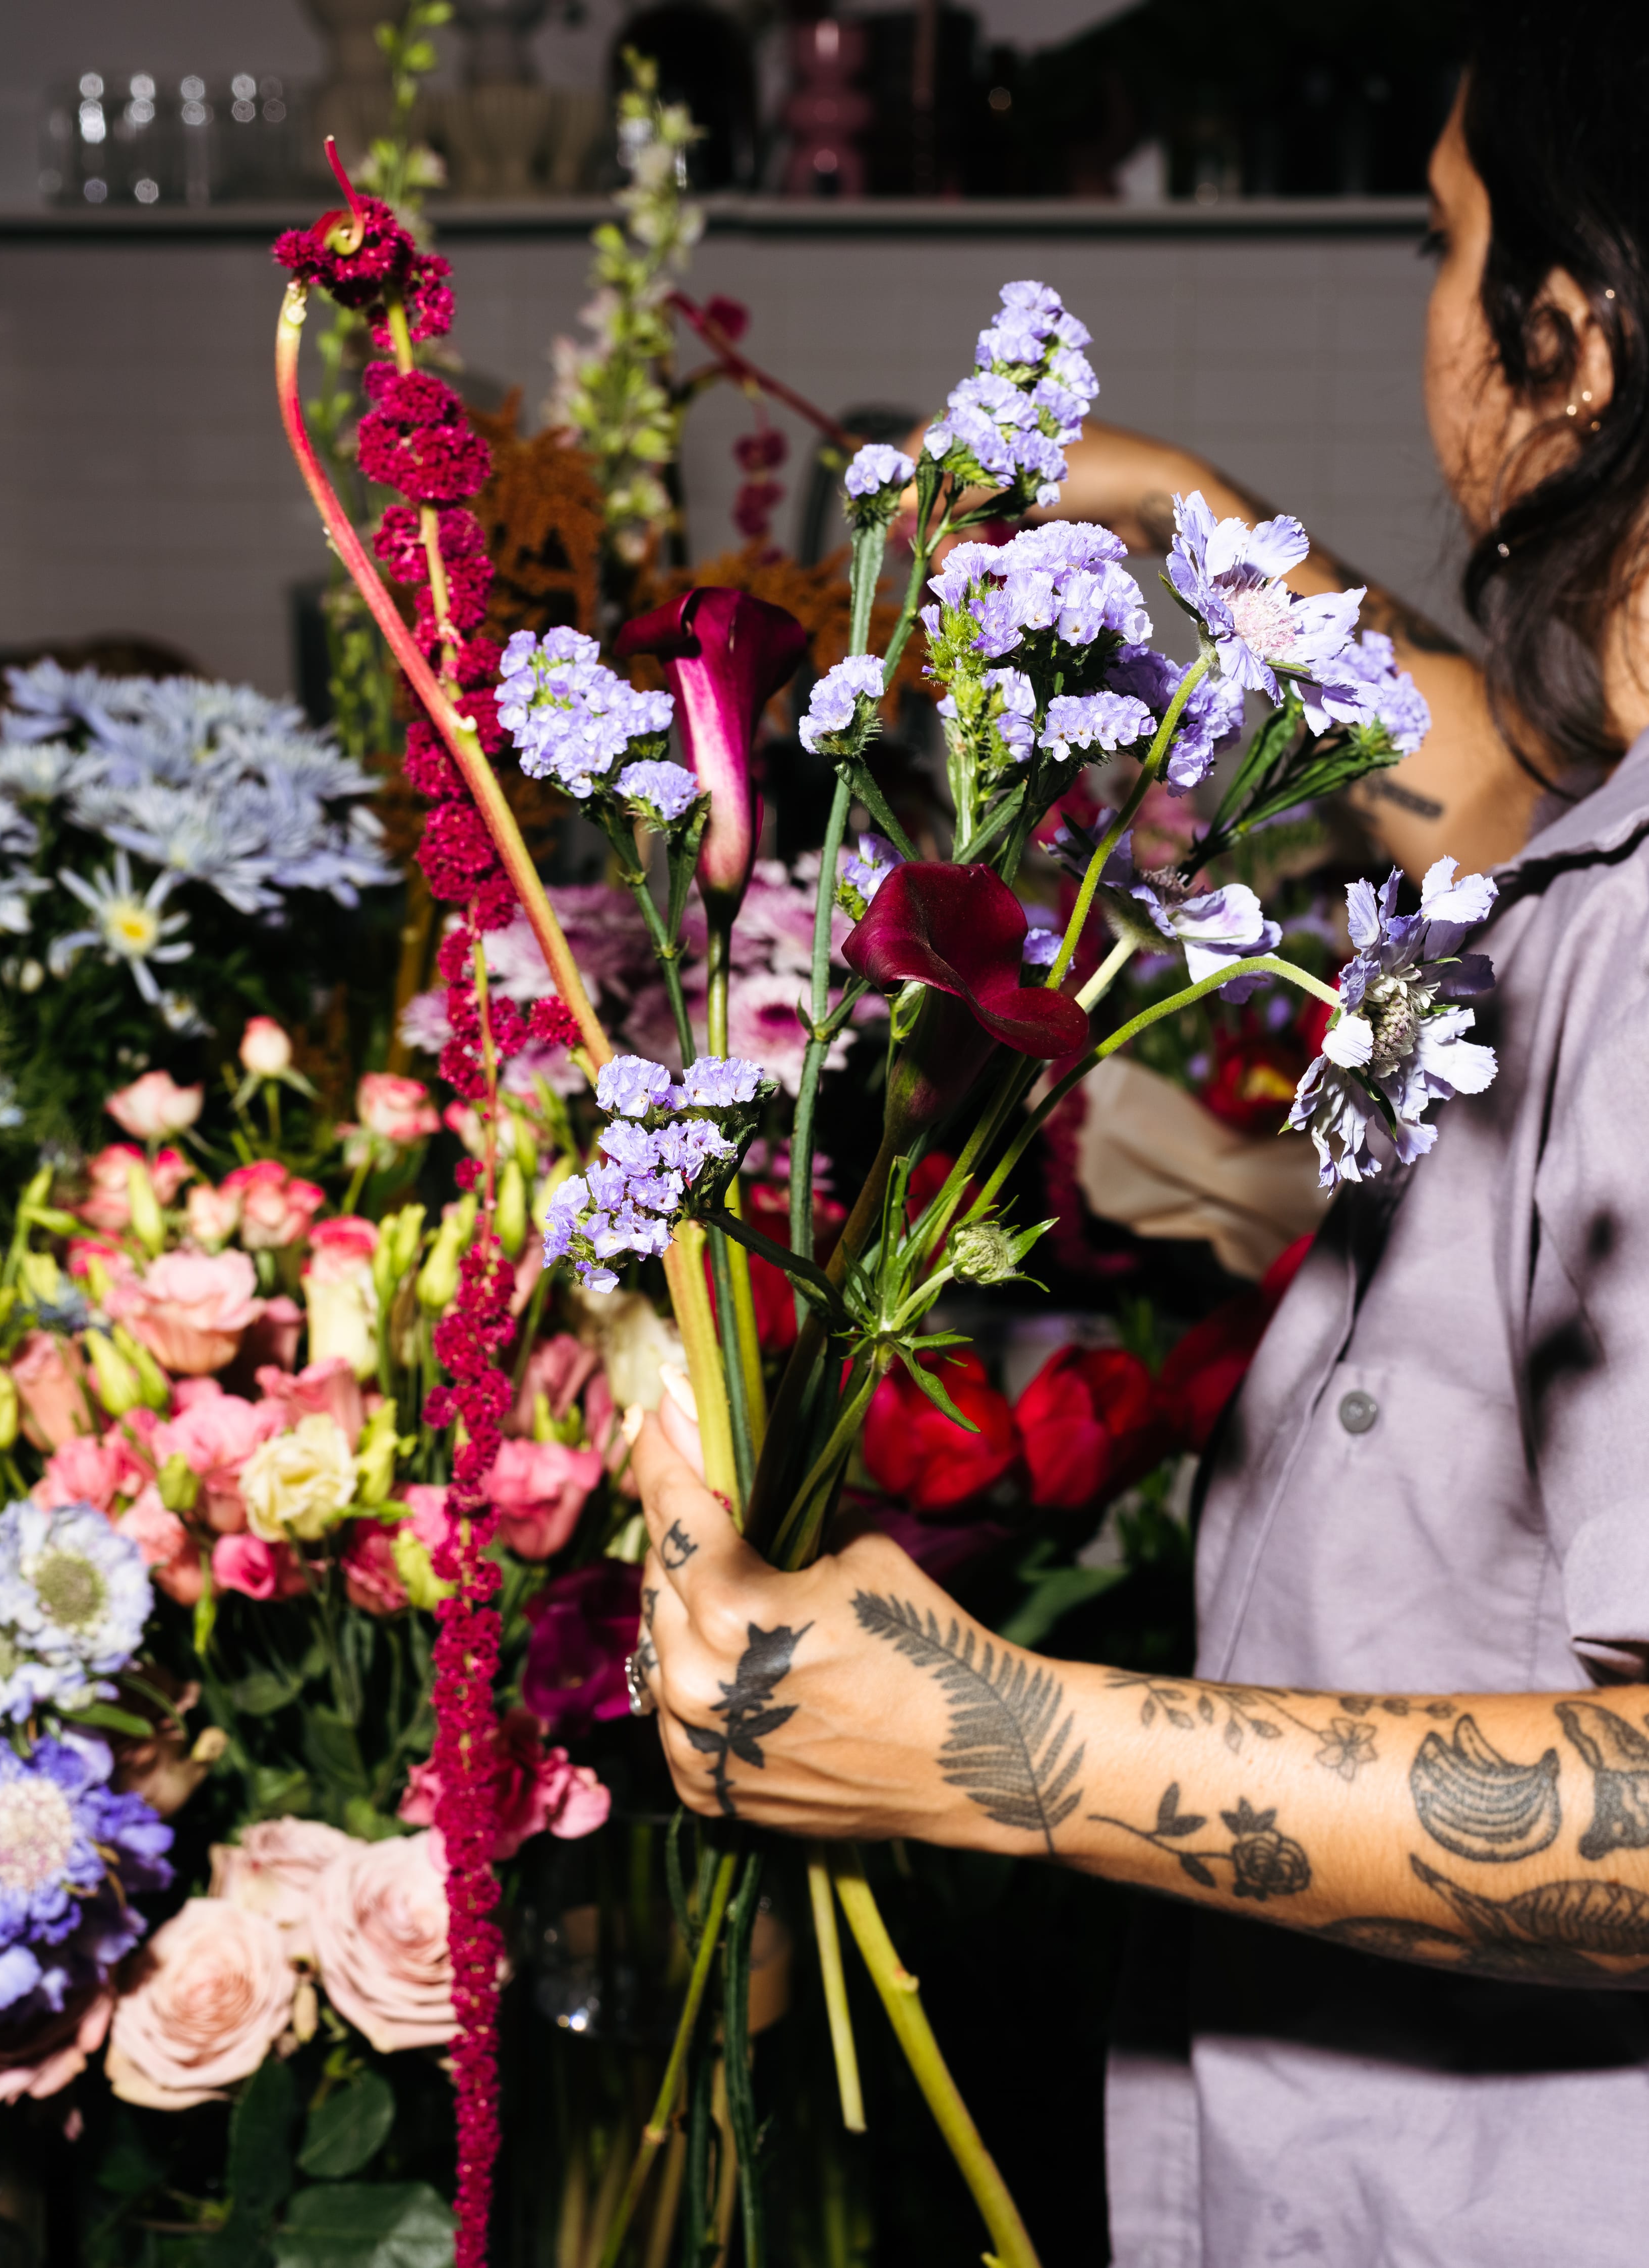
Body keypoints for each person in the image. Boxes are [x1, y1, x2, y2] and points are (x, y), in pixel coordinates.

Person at [628, 8, 1649, 2261]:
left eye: (1447, 243)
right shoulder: (1607, 856)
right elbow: (1493, 801)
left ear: (1568, 336)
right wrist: (1172, 515)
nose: (1435, 314)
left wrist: (998, 1751)